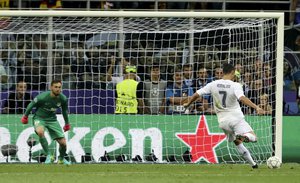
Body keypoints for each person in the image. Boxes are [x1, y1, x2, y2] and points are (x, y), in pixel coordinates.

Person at [183, 63, 264, 168]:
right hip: (235, 118)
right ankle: (244, 136)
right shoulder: (236, 85)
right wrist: (256, 107)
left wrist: (188, 104)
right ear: (232, 72)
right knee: (253, 137)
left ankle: (253, 164)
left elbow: (196, 94)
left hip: (223, 122)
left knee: (237, 142)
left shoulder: (213, 84)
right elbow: (242, 98)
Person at [20, 80, 71, 165]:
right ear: (51, 87)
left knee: (63, 144)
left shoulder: (63, 99)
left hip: (52, 120)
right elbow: (31, 105)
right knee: (40, 132)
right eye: (55, 87)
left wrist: (67, 123)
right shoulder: (42, 97)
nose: (58, 89)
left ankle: (61, 159)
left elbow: (65, 111)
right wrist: (25, 116)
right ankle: (49, 155)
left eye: (59, 87)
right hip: (39, 118)